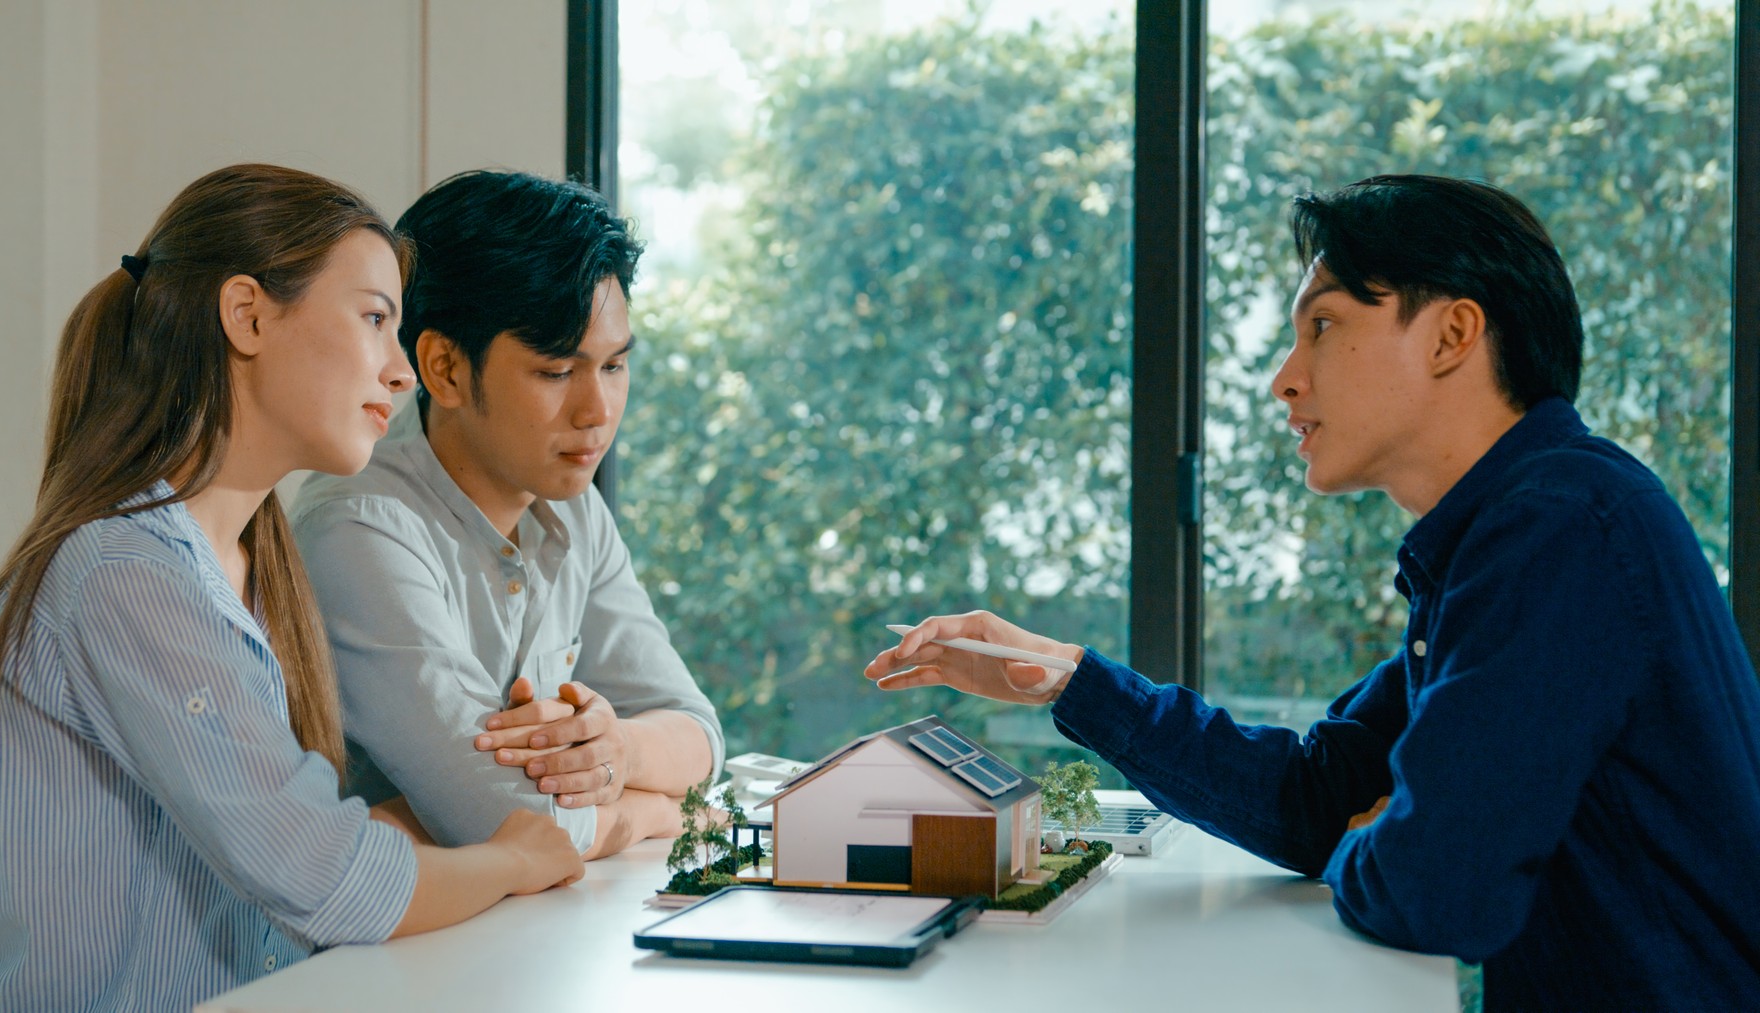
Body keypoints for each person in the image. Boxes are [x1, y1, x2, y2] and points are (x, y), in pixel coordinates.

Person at [865, 175, 1760, 1011]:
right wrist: (1067, 677)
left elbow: (1434, 891)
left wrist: (1385, 840)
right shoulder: (1514, 530)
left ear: (1453, 335)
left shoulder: (1560, 526)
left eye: (1322, 326)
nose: (1284, 378)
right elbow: (1320, 795)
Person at [0, 164, 584, 1011]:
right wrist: (517, 857)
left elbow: (304, 842)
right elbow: (326, 876)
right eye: (375, 320)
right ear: (247, 315)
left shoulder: (243, 564)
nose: (401, 372)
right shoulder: (124, 572)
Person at [290, 170, 722, 860]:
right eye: (556, 372)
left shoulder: (572, 506)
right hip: (376, 955)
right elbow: (510, 821)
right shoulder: (358, 526)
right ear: (444, 368)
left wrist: (618, 750)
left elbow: (698, 735)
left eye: (614, 366)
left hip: (519, 932)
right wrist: (650, 812)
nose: (598, 411)